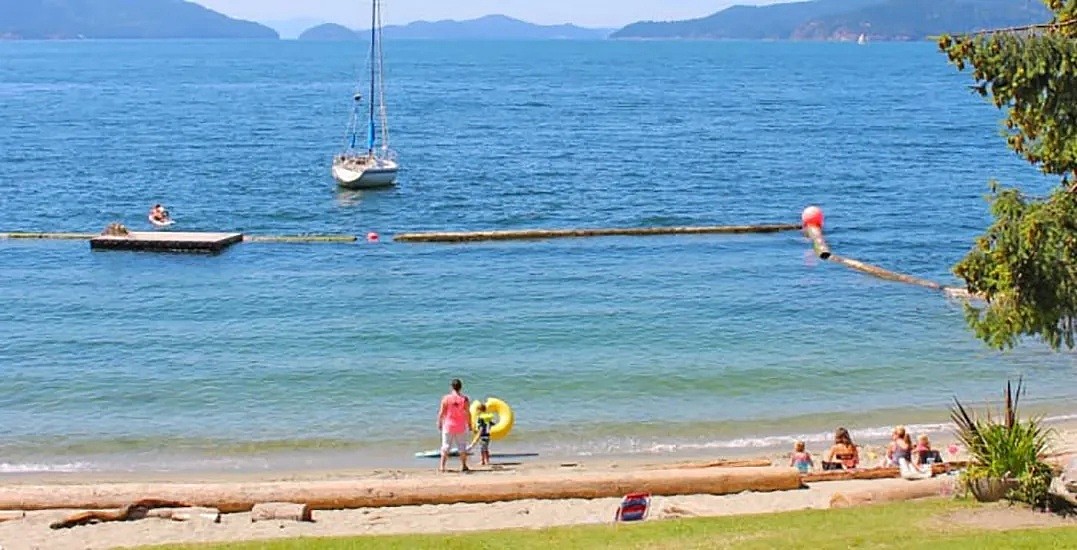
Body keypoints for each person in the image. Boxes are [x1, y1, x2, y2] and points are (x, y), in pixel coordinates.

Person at [437, 378, 472, 473]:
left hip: (448, 425)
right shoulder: (464, 399)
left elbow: (441, 412)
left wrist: (439, 422)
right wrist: (470, 424)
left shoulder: (446, 398)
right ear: (460, 387)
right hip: (460, 425)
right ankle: (464, 465)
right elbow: (468, 413)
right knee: (462, 446)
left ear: (452, 387)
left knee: (446, 446)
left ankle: (442, 466)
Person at [468, 402, 494, 466]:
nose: (477, 412)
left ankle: (483, 461)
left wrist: (478, 434)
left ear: (479, 410)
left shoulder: (480, 418)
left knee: (482, 449)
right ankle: (487, 461)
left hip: (482, 435)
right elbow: (491, 424)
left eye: (477, 410)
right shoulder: (487, 418)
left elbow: (481, 427)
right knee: (485, 448)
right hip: (487, 435)